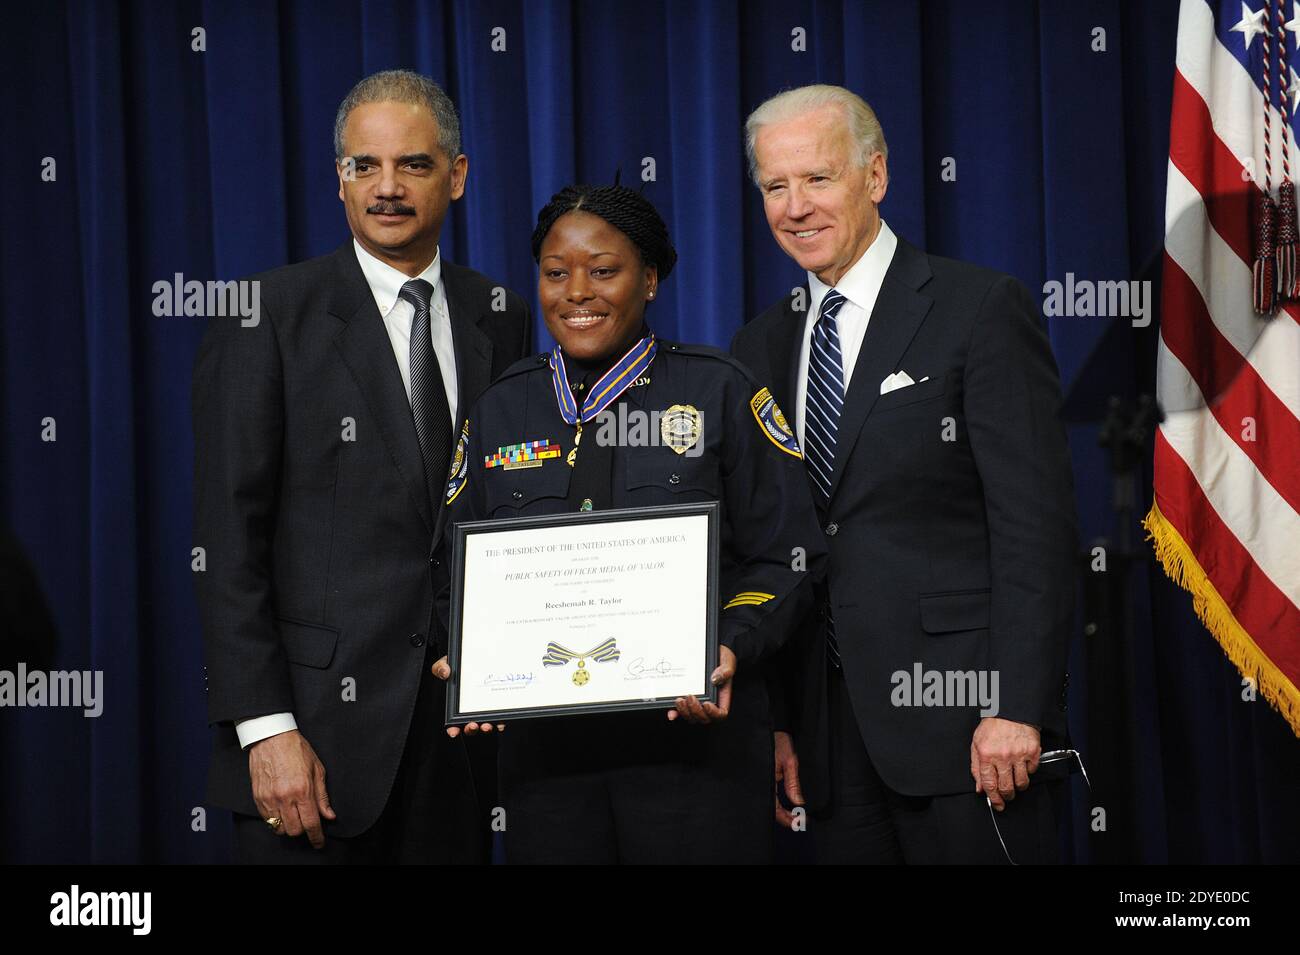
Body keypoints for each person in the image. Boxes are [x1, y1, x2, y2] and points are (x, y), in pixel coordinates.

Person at [731, 84, 1078, 863]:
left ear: (875, 176)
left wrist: (1018, 707)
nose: (795, 207)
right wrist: (784, 721)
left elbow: (1036, 527)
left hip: (968, 731)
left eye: (816, 178)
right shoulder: (758, 345)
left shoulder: (978, 308)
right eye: (775, 187)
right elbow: (775, 543)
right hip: (827, 744)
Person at [192, 69, 531, 863]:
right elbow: (225, 542)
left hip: (461, 745)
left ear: (457, 176)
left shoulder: (501, 316)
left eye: (413, 164)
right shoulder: (266, 316)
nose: (387, 188)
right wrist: (266, 729)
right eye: (363, 166)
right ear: (338, 179)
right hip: (310, 750)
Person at [438, 184, 826, 863]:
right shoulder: (502, 408)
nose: (576, 291)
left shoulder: (720, 391)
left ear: (649, 278)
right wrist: (467, 656)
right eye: (556, 272)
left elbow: (790, 555)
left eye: (604, 270)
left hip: (696, 753)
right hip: (547, 769)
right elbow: (452, 568)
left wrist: (729, 646)